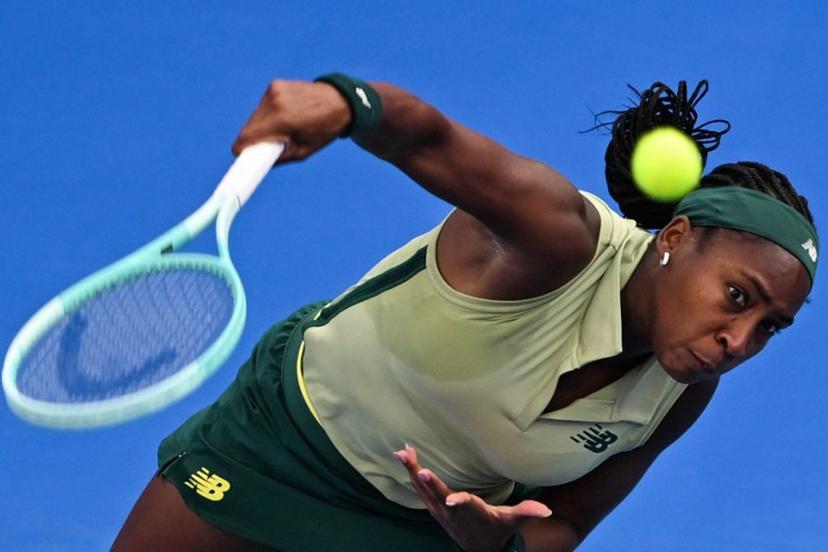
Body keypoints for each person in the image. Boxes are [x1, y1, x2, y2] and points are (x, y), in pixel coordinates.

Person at [112, 76, 817, 552]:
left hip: (423, 536)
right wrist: (340, 100)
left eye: (770, 327)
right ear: (674, 238)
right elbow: (430, 140)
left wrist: (498, 541)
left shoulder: (679, 393)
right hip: (282, 446)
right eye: (737, 296)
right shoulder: (556, 237)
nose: (738, 341)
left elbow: (566, 522)